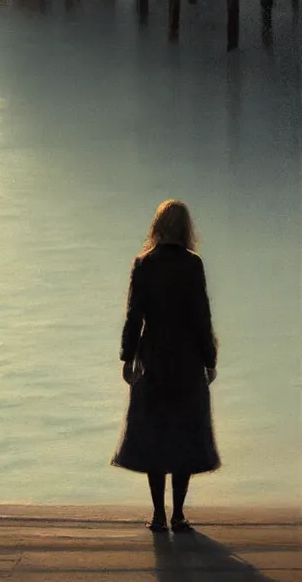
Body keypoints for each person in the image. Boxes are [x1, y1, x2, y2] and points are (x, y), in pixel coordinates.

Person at [111, 199, 220, 533]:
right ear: (186, 229)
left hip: (154, 359)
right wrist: (209, 359)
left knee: (155, 435)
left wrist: (128, 357)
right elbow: (201, 316)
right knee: (185, 435)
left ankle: (158, 515)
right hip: (187, 361)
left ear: (157, 227)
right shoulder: (193, 265)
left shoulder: (144, 265)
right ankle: (179, 515)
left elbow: (135, 318)